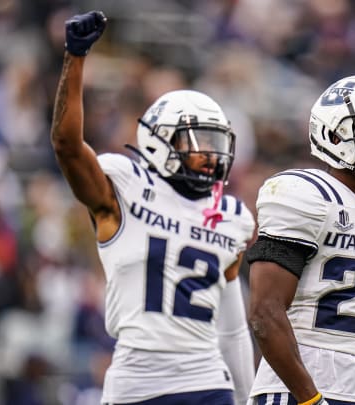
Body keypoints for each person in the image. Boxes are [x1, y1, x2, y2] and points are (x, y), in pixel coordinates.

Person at [50, 11, 255, 405]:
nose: (210, 157)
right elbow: (67, 147)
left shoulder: (229, 215)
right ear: (160, 142)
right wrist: (74, 58)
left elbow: (232, 330)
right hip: (137, 384)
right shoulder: (124, 185)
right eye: (196, 143)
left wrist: (246, 398)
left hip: (207, 381)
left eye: (215, 144)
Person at [246, 75, 355, 405]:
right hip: (296, 391)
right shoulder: (305, 196)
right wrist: (310, 399)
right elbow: (264, 312)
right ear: (336, 132)